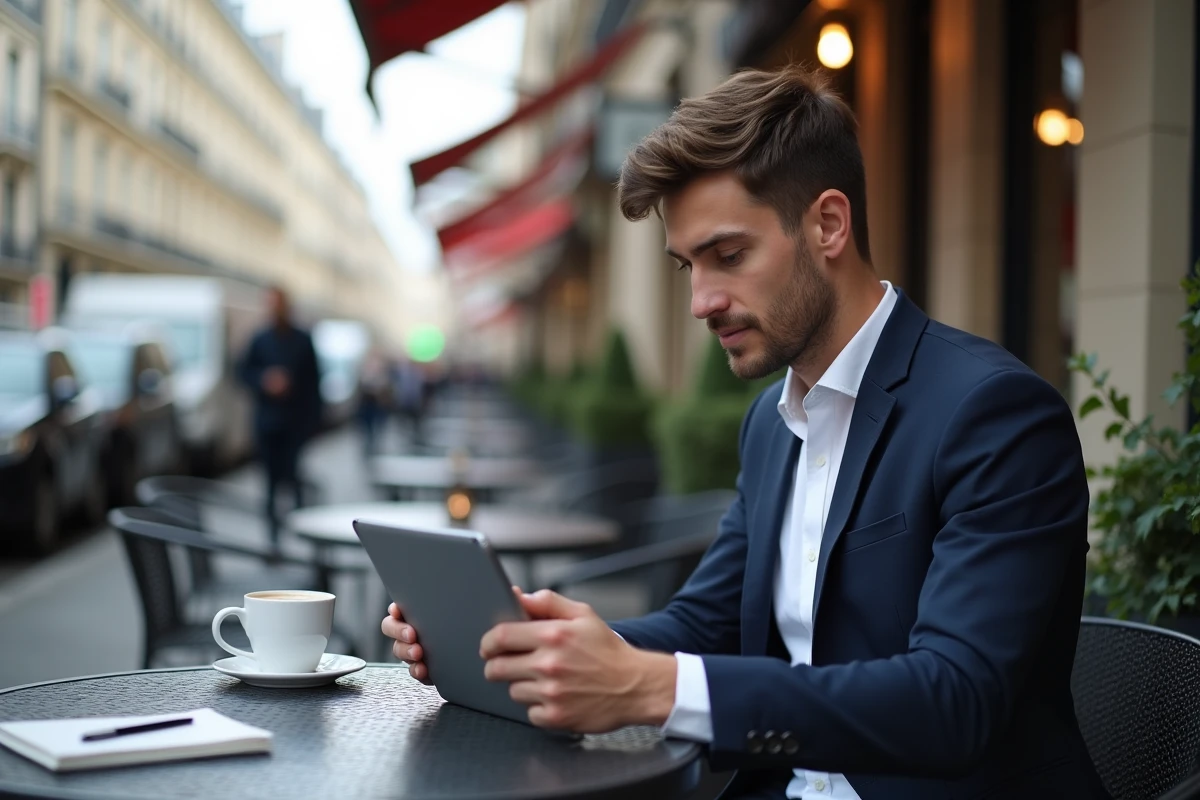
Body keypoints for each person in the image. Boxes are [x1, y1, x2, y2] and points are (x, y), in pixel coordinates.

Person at [382, 65, 1108, 799]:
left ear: (829, 224)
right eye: (687, 266)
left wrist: (648, 687)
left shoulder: (994, 415)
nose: (702, 301)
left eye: (728, 256)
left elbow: (952, 703)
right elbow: (708, 623)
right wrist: (539, 648)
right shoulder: (771, 422)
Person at [237, 286, 322, 545]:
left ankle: (302, 533)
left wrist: (312, 422)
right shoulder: (260, 339)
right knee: (270, 483)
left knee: (294, 478)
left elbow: (314, 382)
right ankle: (272, 538)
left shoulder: (302, 339)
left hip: (295, 423)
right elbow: (241, 372)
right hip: (268, 423)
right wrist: (265, 380)